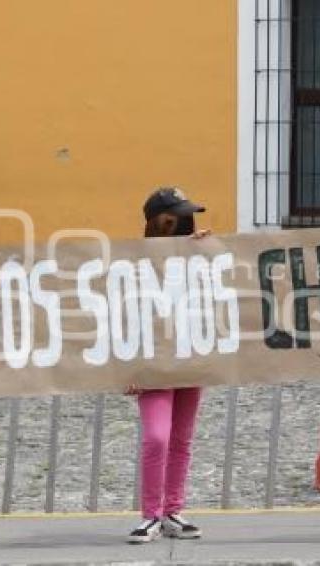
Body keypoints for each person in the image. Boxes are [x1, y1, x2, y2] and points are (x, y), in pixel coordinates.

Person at [126, 187, 211, 544]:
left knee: (180, 439)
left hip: (189, 356)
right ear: (158, 224)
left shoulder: (194, 255)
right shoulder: (132, 265)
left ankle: (173, 511)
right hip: (153, 363)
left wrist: (207, 252)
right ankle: (151, 515)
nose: (187, 222)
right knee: (157, 437)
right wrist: (126, 368)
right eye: (178, 217)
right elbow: (123, 315)